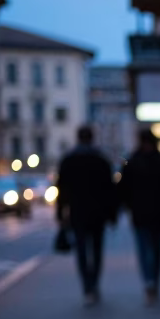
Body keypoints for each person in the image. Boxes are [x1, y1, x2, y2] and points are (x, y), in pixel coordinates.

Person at [55, 125, 117, 305]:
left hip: (78, 212)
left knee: (81, 250)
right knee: (96, 250)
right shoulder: (101, 160)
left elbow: (62, 189)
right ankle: (94, 283)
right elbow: (109, 190)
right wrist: (112, 214)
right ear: (92, 138)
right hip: (98, 213)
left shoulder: (69, 160)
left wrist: (60, 213)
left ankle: (87, 287)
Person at [118, 129, 160, 305]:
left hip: (141, 214)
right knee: (156, 249)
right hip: (159, 214)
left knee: (145, 248)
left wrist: (125, 207)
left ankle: (149, 281)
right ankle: (153, 281)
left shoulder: (133, 162)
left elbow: (123, 190)